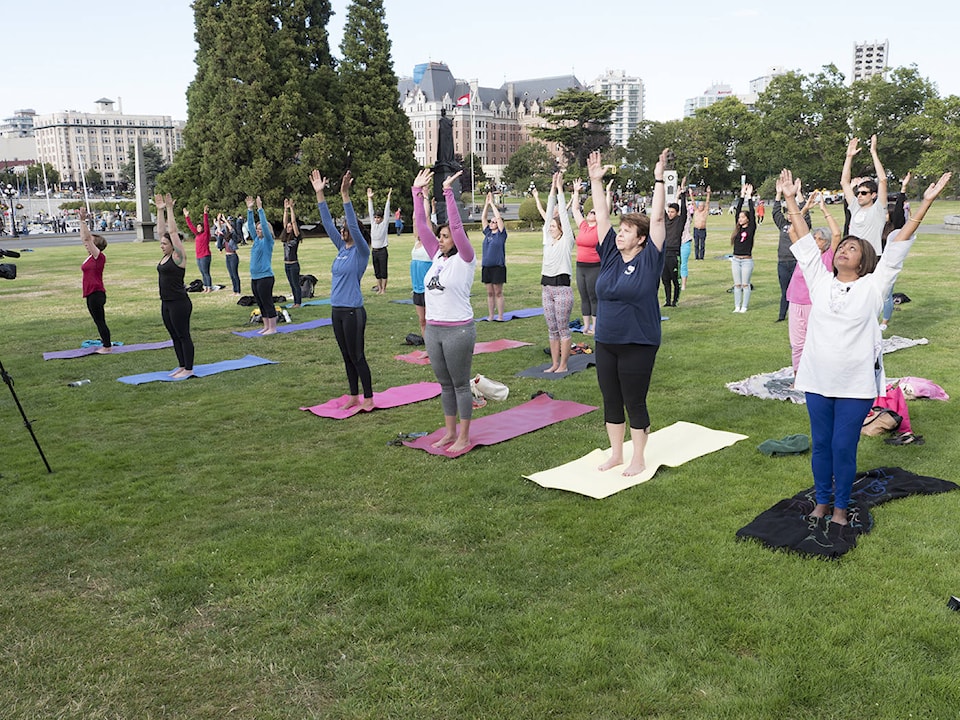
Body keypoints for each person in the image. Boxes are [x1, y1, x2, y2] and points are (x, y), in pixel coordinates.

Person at [780, 167, 951, 526]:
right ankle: (821, 502)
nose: (843, 250)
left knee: (844, 446)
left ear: (864, 260)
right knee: (822, 445)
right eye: (842, 246)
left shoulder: (874, 287)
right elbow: (806, 244)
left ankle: (841, 506)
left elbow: (899, 244)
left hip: (855, 383)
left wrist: (926, 204)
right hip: (818, 379)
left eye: (852, 247)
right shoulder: (820, 280)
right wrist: (791, 199)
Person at [587, 148, 666, 477]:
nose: (619, 233)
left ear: (642, 239)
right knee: (611, 398)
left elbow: (659, 218)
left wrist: (659, 178)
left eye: (627, 231)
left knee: (634, 400)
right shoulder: (610, 256)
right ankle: (616, 454)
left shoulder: (650, 259)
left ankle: (638, 457)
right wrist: (595, 180)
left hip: (639, 341)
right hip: (606, 339)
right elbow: (602, 218)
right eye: (619, 230)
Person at [412, 168, 477, 453]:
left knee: (460, 384)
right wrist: (417, 193)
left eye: (446, 236)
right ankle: (450, 432)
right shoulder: (437, 255)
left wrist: (448, 192)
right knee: (444, 384)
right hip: (435, 329)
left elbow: (458, 227)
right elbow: (421, 226)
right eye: (440, 235)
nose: (441, 238)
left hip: (458, 330)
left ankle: (464, 435)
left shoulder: (465, 257)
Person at [312, 169, 374, 411]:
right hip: (336, 310)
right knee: (346, 356)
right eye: (343, 229)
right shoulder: (341, 248)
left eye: (346, 228)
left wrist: (345, 195)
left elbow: (356, 230)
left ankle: (368, 397)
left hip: (353, 312)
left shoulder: (361, 251)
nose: (343, 231)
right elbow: (327, 223)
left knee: (357, 355)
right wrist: (320, 195)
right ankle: (353, 395)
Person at [786, 191, 839, 375]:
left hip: (814, 303)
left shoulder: (828, 257)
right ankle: (798, 376)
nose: (815, 241)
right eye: (814, 237)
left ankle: (817, 374)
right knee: (797, 343)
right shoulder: (805, 254)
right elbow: (793, 230)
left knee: (815, 340)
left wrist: (824, 209)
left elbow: (837, 233)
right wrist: (805, 208)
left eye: (819, 238)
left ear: (826, 243)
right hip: (795, 300)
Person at [153, 193, 195, 379]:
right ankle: (181, 365)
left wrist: (170, 209)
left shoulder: (179, 257)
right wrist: (159, 210)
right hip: (166, 303)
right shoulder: (165, 256)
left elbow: (171, 233)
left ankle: (189, 368)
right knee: (174, 336)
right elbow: (162, 232)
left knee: (183, 335)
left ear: (172, 245)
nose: (161, 245)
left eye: (164, 244)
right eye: (161, 244)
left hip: (179, 302)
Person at [540, 171, 576, 373]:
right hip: (547, 288)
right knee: (552, 329)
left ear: (561, 229)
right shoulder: (548, 241)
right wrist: (552, 189)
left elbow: (562, 214)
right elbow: (549, 215)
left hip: (562, 289)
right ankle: (554, 363)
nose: (551, 227)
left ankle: (563, 365)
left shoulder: (565, 241)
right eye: (550, 226)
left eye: (554, 226)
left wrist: (561, 189)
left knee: (562, 329)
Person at [841, 135, 888, 255]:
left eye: (864, 193)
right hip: (854, 256)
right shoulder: (855, 207)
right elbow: (844, 182)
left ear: (873, 195)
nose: (859, 195)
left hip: (872, 256)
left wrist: (873, 152)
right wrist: (849, 157)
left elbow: (882, 180)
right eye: (858, 193)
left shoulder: (878, 209)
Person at [773, 182, 810, 322]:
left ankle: (800, 314)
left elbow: (805, 215)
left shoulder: (802, 227)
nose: (790, 215)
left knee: (799, 290)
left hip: (797, 262)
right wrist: (778, 194)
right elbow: (776, 212)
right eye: (788, 212)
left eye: (792, 212)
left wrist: (799, 193)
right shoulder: (783, 225)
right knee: (785, 291)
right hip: (782, 262)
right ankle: (782, 316)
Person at [78, 206, 113, 353]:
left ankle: (107, 346)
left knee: (100, 321)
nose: (87, 243)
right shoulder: (90, 257)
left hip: (97, 293)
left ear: (96, 245)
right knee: (97, 321)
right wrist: (81, 222)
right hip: (91, 293)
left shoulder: (99, 257)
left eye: (91, 242)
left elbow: (87, 238)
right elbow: (84, 238)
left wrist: (84, 221)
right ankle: (106, 343)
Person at [571, 178, 602, 335]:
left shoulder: (600, 229)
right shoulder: (583, 226)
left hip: (594, 266)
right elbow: (576, 210)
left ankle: (595, 327)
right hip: (580, 266)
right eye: (590, 211)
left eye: (594, 212)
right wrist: (576, 192)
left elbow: (605, 211)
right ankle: (585, 326)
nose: (591, 213)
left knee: (593, 295)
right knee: (583, 296)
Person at [246, 195, 278, 335]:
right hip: (255, 277)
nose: (258, 231)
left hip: (266, 277)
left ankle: (273, 328)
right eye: (257, 229)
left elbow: (264, 226)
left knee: (267, 302)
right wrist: (249, 209)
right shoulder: (256, 240)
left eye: (260, 229)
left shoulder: (268, 241)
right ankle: (266, 326)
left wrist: (260, 209)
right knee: (260, 303)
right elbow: (250, 226)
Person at [410, 191, 434, 336]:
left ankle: (434, 347)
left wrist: (425, 197)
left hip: (428, 289)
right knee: (422, 320)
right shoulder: (416, 242)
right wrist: (416, 199)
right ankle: (428, 347)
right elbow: (415, 217)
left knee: (431, 319)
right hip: (417, 288)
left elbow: (425, 217)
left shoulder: (430, 244)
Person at [480, 191, 507, 321]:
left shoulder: (501, 235)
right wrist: (486, 204)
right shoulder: (488, 233)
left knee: (498, 292)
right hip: (486, 266)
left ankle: (500, 316)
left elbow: (499, 218)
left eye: (494, 222)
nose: (492, 223)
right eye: (491, 222)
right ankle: (491, 315)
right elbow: (483, 218)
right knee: (490, 293)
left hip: (498, 267)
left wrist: (492, 204)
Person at [660, 176, 686, 306]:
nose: (670, 214)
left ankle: (675, 301)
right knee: (665, 279)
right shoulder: (665, 220)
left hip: (674, 254)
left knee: (675, 279)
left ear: (677, 212)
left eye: (672, 212)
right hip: (664, 253)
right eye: (669, 211)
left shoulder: (679, 221)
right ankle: (667, 301)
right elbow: (660, 205)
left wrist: (683, 195)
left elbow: (685, 211)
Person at [730, 182, 756, 313]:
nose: (740, 219)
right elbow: (737, 210)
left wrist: (749, 196)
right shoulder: (738, 229)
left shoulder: (751, 228)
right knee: (737, 285)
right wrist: (741, 195)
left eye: (742, 217)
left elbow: (752, 213)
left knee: (745, 284)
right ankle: (737, 306)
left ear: (747, 219)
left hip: (746, 260)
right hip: (736, 260)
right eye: (739, 217)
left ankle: (744, 306)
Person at [183, 204, 214, 292]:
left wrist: (205, 213)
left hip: (205, 255)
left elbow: (206, 224)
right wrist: (187, 216)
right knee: (202, 273)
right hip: (199, 256)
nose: (198, 228)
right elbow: (190, 226)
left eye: (200, 227)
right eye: (197, 227)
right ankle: (205, 287)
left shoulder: (206, 234)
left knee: (206, 272)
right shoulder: (197, 235)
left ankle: (209, 287)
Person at [367, 187, 391, 295]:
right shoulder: (373, 224)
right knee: (377, 272)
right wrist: (370, 199)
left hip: (382, 250)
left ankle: (383, 290)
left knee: (383, 271)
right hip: (374, 251)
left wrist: (388, 198)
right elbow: (370, 210)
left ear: (381, 218)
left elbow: (387, 211)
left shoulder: (384, 224)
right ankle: (379, 287)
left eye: (378, 217)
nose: (376, 219)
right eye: (375, 217)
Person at [279, 199, 303, 307]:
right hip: (286, 264)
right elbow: (285, 222)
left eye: (290, 227)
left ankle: (298, 302)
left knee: (295, 284)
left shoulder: (296, 237)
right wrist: (285, 209)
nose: (289, 227)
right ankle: (295, 302)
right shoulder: (285, 237)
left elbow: (293, 222)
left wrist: (292, 209)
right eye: (288, 227)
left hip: (293, 264)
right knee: (291, 284)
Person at [217, 212, 242, 295]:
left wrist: (225, 220)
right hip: (227, 256)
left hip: (233, 256)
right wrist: (218, 220)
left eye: (230, 221)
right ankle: (234, 291)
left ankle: (238, 291)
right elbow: (220, 230)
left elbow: (231, 229)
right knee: (231, 275)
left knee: (235, 274)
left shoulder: (233, 235)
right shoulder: (225, 235)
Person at [691, 186, 710, 260]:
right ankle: (696, 257)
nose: (700, 207)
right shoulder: (696, 211)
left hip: (702, 230)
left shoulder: (705, 212)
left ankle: (701, 257)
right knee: (696, 244)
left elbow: (707, 202)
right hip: (696, 229)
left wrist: (708, 193)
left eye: (702, 206)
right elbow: (693, 202)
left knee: (702, 244)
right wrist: (691, 194)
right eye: (699, 206)